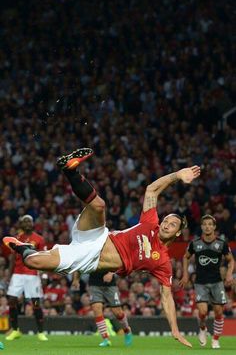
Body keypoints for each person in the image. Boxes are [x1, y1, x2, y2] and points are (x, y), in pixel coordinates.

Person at [4, 147, 201, 348]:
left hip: (88, 258)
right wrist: (177, 175)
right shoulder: (151, 222)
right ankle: (70, 170)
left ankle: (23, 247)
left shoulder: (162, 262)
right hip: (99, 236)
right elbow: (152, 189)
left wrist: (175, 330)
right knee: (99, 205)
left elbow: (167, 297)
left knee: (32, 261)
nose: (166, 224)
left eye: (172, 224)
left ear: (178, 233)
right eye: (166, 220)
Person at [179, 214, 234, 349]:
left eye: (210, 224)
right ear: (202, 227)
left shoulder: (221, 244)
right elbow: (185, 257)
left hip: (217, 282)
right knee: (203, 312)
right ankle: (202, 329)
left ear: (214, 227)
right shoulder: (195, 243)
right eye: (205, 224)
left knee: (218, 312)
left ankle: (215, 340)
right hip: (200, 283)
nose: (207, 226)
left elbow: (231, 260)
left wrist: (229, 274)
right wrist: (185, 275)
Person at [5, 215, 48, 341]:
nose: (28, 223)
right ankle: (15, 330)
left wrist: (44, 275)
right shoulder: (17, 238)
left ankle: (40, 332)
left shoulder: (39, 239)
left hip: (32, 275)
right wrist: (8, 275)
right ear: (21, 224)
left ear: (33, 223)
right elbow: (13, 258)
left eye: (29, 221)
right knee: (12, 300)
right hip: (17, 274)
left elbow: (44, 257)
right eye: (25, 221)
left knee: (35, 303)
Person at [72, 271, 132, 347]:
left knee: (118, 313)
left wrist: (110, 273)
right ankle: (105, 339)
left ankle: (127, 330)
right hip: (94, 285)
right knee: (97, 310)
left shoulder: (110, 258)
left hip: (110, 285)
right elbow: (81, 263)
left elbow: (117, 264)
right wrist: (76, 280)